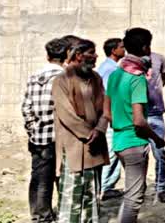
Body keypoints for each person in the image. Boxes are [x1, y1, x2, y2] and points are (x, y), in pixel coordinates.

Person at [104, 27, 165, 223]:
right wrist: (157, 139)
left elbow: (107, 112)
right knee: (134, 197)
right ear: (146, 47)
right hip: (134, 142)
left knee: (132, 193)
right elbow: (139, 121)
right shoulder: (137, 78)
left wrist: (121, 125)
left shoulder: (116, 74)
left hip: (120, 139)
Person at [52, 40, 109, 223]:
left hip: (95, 145)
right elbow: (66, 113)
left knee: (92, 196)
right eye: (92, 53)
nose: (96, 57)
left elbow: (105, 109)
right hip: (73, 145)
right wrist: (88, 133)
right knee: (72, 197)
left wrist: (99, 129)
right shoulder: (62, 80)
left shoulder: (96, 78)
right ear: (79, 56)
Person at [22, 37, 68, 223]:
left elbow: (26, 108)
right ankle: (65, 212)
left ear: (48, 55)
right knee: (63, 178)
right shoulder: (65, 77)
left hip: (39, 137)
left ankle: (41, 216)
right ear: (65, 55)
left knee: (40, 178)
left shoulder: (35, 77)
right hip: (60, 136)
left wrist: (33, 129)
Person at [96, 38, 125, 201]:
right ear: (114, 50)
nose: (124, 49)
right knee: (112, 152)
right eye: (121, 47)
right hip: (110, 117)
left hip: (110, 116)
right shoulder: (110, 69)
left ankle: (107, 186)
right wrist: (112, 117)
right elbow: (108, 95)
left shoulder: (110, 67)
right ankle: (105, 187)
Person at [148, 50, 165, 203]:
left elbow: (163, 80)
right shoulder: (127, 64)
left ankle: (161, 188)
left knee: (160, 153)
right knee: (138, 155)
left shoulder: (159, 58)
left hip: (155, 113)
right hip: (136, 114)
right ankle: (140, 186)